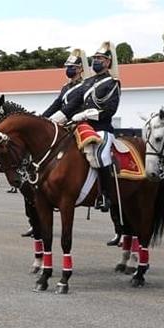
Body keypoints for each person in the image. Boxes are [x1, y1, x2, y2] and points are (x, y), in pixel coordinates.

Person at [51, 42, 121, 212]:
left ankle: (105, 195)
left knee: (101, 155)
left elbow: (109, 110)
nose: (96, 61)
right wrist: (50, 120)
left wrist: (85, 114)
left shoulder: (113, 83)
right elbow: (71, 105)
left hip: (102, 128)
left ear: (108, 62)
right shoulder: (88, 82)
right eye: (95, 58)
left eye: (100, 58)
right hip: (84, 128)